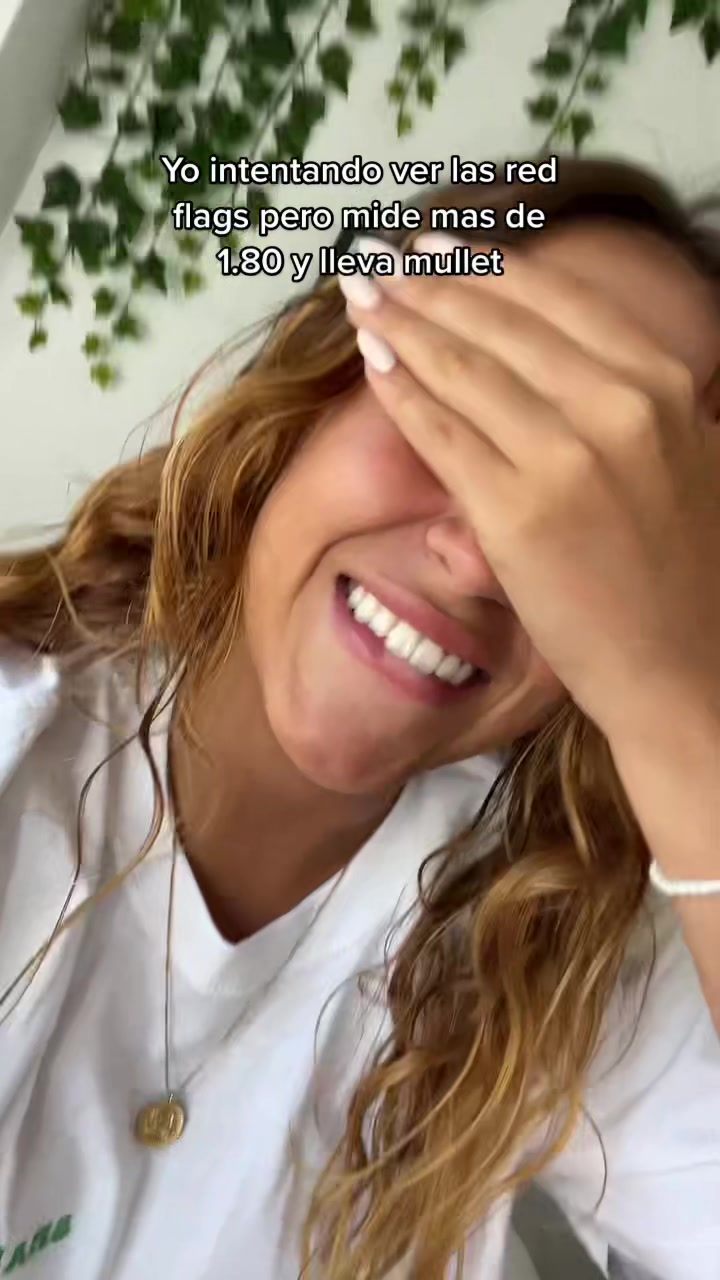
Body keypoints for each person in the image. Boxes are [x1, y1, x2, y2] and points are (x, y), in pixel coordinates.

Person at [0, 156, 718, 1280]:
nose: (482, 557)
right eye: (470, 413)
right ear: (321, 385)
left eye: (598, 527)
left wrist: (678, 709)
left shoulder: (555, 941)